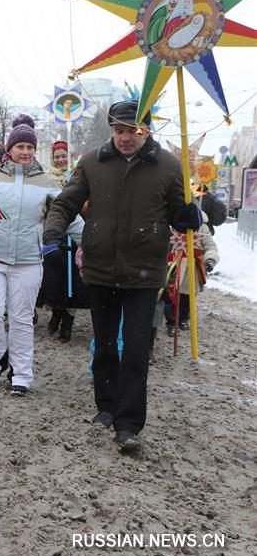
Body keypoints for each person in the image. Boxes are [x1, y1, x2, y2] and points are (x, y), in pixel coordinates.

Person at [43, 100, 202, 453]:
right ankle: (106, 405)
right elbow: (66, 203)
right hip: (100, 269)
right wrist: (53, 234)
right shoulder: (92, 162)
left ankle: (128, 424)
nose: (125, 137)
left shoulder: (168, 165)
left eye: (133, 130)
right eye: (118, 130)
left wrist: (191, 216)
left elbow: (179, 214)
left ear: (146, 130)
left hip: (144, 275)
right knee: (103, 344)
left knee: (134, 348)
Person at [0, 115, 82, 396]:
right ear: (10, 149)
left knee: (21, 318)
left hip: (28, 261)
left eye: (30, 147)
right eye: (20, 147)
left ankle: (22, 375)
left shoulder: (47, 183)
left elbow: (69, 218)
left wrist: (88, 241)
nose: (26, 152)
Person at [40, 140, 88, 342]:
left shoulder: (78, 176)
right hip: (56, 236)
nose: (60, 160)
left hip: (74, 237)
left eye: (63, 156)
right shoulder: (47, 180)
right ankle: (56, 312)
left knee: (74, 283)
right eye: (57, 156)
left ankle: (68, 320)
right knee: (55, 280)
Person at [163, 213, 219, 337]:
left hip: (192, 268)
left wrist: (210, 259)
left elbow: (210, 246)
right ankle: (171, 323)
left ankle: (183, 318)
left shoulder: (201, 228)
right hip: (173, 265)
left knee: (187, 298)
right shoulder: (172, 225)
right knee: (170, 296)